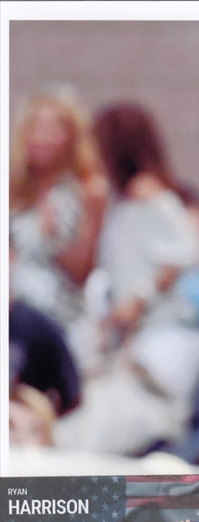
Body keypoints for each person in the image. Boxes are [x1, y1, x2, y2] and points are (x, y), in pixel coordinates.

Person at [52, 102, 199, 455]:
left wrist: (140, 297)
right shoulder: (119, 200)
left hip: (158, 341)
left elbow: (185, 250)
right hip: (128, 341)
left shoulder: (148, 193)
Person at [8, 87, 109, 370]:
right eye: (36, 129)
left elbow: (81, 271)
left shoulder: (86, 189)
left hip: (59, 316)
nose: (43, 138)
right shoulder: (15, 191)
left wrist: (52, 238)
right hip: (14, 309)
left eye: (53, 129)